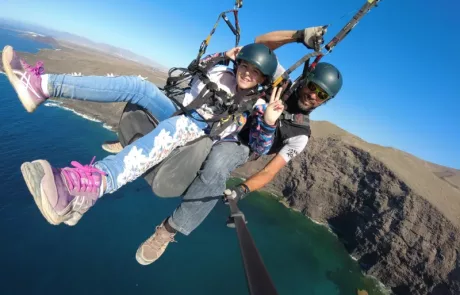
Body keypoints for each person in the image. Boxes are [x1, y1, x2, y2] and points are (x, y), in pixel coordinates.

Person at [93, 28, 341, 266]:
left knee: (218, 164)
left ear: (326, 101)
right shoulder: (281, 81)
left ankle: (168, 230)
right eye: (313, 87)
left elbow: (270, 171)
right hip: (225, 113)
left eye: (322, 95)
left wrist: (242, 190)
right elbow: (260, 44)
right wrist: (299, 36)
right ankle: (133, 143)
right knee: (176, 104)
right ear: (306, 80)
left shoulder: (300, 135)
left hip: (243, 142)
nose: (313, 95)